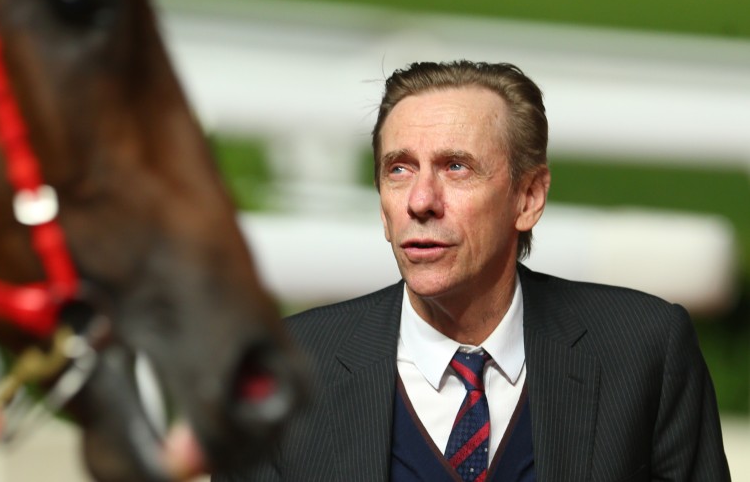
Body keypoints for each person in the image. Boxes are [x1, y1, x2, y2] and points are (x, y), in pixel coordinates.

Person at [214, 61, 731, 481]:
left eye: (455, 167)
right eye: (399, 169)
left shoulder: (644, 351)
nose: (420, 200)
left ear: (528, 197)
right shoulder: (286, 370)